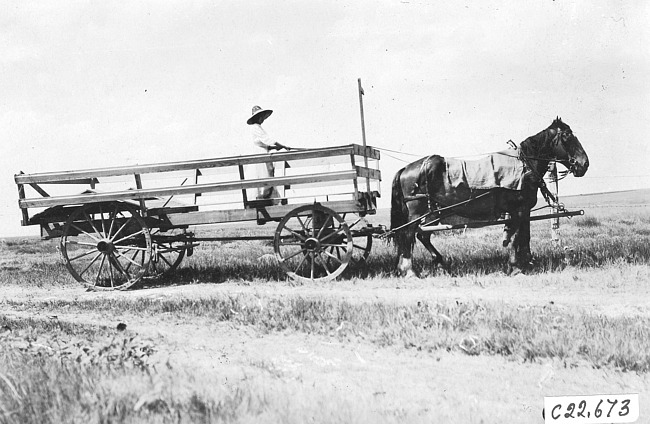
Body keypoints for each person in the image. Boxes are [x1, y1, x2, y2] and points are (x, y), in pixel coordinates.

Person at [246, 105, 290, 201]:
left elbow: (264, 143)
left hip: (263, 153)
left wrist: (275, 147)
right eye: (261, 116)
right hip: (259, 156)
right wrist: (281, 145)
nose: (263, 119)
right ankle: (262, 197)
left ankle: (265, 197)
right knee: (263, 175)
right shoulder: (255, 127)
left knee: (267, 175)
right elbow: (267, 139)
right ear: (257, 117)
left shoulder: (258, 127)